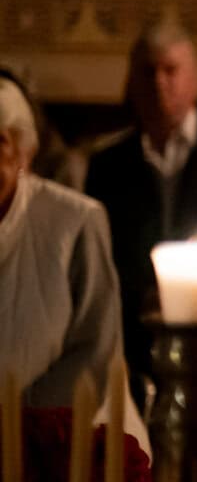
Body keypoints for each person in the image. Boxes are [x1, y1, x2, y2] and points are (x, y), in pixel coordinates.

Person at [85, 24, 197, 403]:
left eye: (171, 70)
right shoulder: (107, 165)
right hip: (136, 344)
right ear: (131, 82)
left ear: (194, 79)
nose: (159, 83)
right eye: (148, 72)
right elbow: (101, 252)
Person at [0, 71, 148, 450]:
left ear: (24, 152)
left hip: (66, 439)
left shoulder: (75, 220)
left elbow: (95, 348)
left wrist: (21, 423)